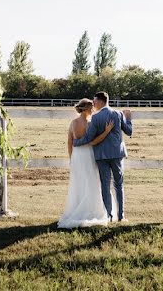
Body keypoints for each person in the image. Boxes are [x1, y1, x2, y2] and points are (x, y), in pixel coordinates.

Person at [71, 91, 132, 222]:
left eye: (94, 101)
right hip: (117, 154)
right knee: (119, 185)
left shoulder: (96, 118)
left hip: (101, 155)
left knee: (105, 185)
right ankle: (121, 216)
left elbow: (88, 138)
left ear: (100, 101)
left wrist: (76, 142)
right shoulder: (118, 114)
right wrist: (129, 118)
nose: (93, 104)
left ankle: (109, 216)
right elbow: (129, 131)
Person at [57, 98, 114, 229]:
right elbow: (93, 141)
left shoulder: (73, 123)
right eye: (92, 108)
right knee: (92, 181)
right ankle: (91, 209)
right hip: (88, 154)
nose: (93, 109)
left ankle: (76, 209)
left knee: (79, 182)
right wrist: (106, 131)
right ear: (88, 109)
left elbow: (69, 142)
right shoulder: (90, 122)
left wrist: (71, 158)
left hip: (77, 155)